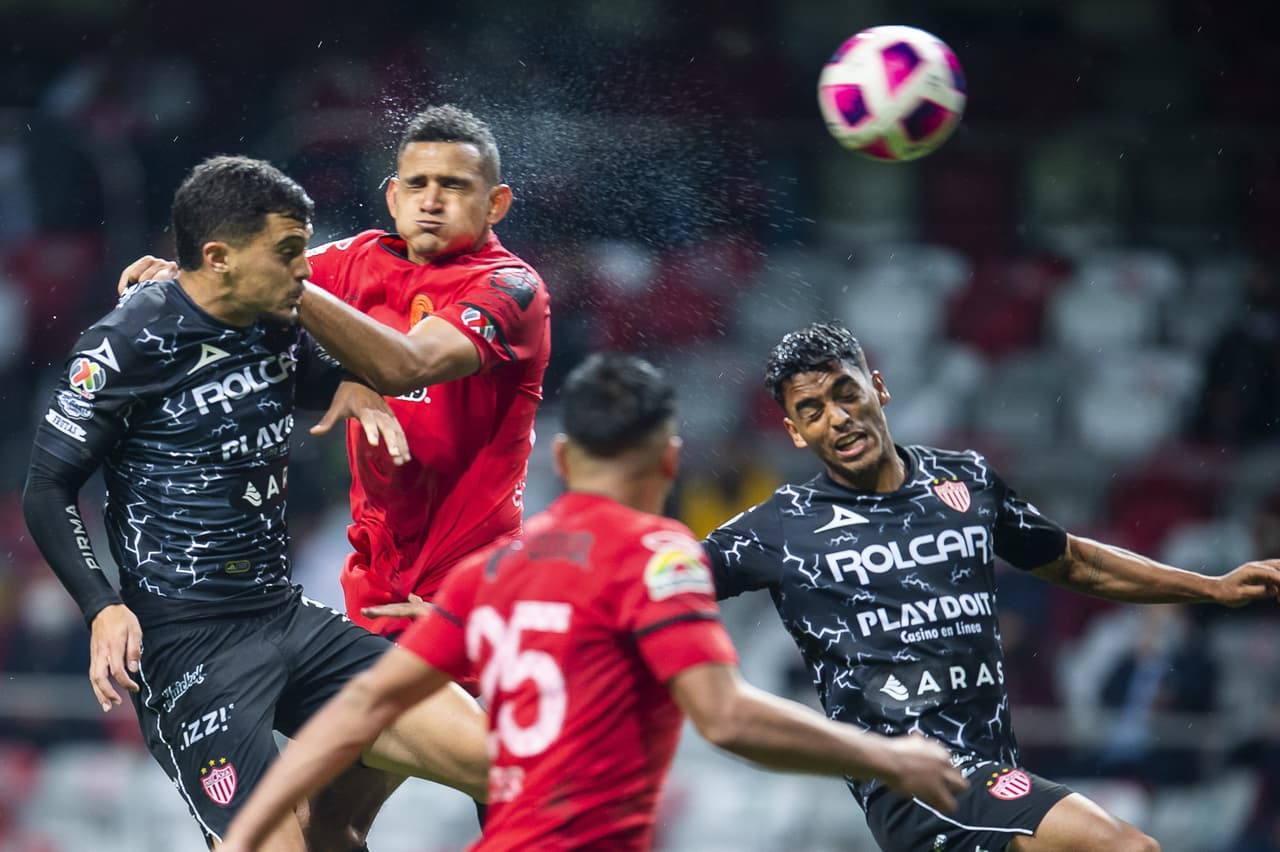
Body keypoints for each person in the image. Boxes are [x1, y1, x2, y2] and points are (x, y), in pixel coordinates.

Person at [215, 352, 968, 852]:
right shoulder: (658, 556)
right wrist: (887, 754)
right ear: (669, 461)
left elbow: (355, 710)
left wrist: (247, 833)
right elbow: (727, 715)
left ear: (566, 459)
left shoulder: (493, 573)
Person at [24, 156, 487, 850]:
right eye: (288, 252)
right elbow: (46, 487)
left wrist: (345, 384)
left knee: (510, 761)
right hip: (188, 648)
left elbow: (310, 371)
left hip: (286, 617)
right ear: (219, 258)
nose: (305, 271)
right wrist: (101, 605)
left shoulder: (271, 317)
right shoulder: (128, 340)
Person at [118, 105, 550, 836]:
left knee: (526, 805)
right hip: (379, 607)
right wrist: (188, 280)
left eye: (454, 184)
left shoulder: (511, 289)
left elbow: (402, 362)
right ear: (391, 194)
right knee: (329, 831)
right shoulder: (354, 263)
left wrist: (278, 274)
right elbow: (232, 284)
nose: (433, 199)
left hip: (476, 603)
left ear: (496, 202)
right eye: (416, 183)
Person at [702, 321, 1280, 852]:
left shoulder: (966, 481)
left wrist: (1210, 588)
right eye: (812, 409)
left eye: (845, 393)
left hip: (993, 768)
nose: (837, 417)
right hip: (920, 784)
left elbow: (1076, 563)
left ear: (877, 387)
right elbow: (668, 583)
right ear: (796, 432)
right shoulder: (783, 525)